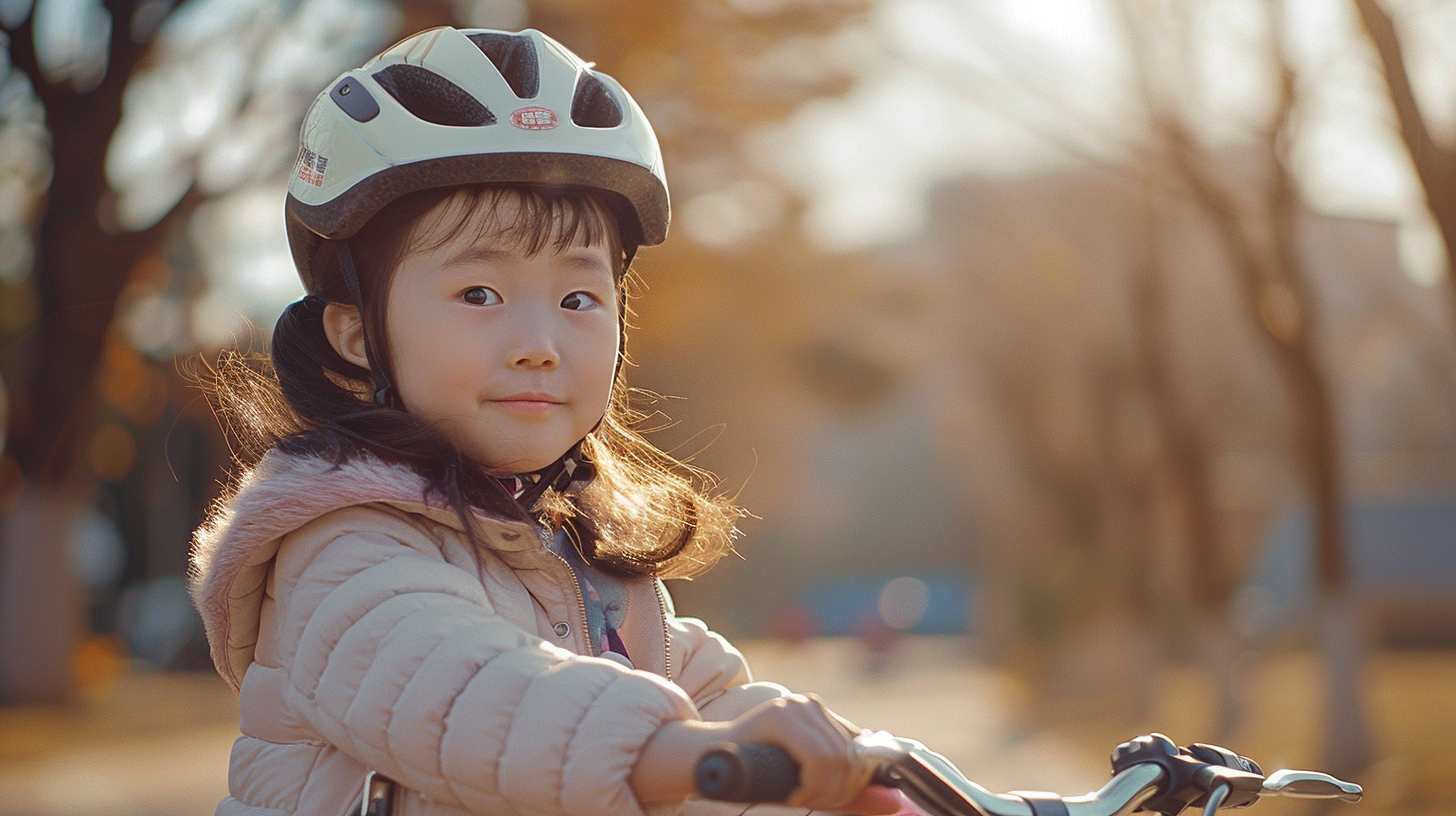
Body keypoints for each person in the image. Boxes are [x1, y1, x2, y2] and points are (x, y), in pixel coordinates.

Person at [190, 26, 910, 816]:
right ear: (360, 335)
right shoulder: (340, 551)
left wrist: (845, 766)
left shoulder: (579, 561)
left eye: (577, 300)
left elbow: (703, 691)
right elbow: (473, 695)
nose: (537, 346)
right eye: (479, 295)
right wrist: (682, 751)